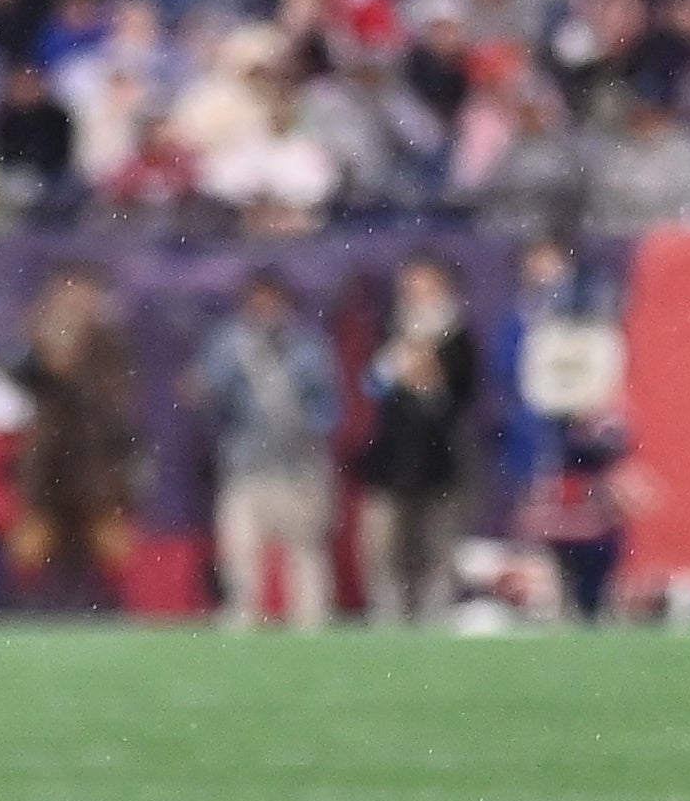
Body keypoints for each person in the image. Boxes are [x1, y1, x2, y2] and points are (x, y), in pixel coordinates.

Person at [189, 268, 341, 630]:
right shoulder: (229, 345)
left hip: (297, 465)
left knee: (304, 551)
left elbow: (326, 406)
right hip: (245, 463)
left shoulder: (308, 347)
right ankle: (243, 617)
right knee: (240, 552)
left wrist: (307, 430)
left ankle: (311, 623)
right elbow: (209, 394)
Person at [498, 236, 634, 623]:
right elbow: (525, 384)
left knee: (595, 536)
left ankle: (594, 605)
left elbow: (607, 384)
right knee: (546, 538)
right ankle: (553, 610)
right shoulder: (526, 327)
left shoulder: (598, 333)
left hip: (588, 452)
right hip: (544, 447)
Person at [351, 253, 482, 627]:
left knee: (437, 546)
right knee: (383, 547)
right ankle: (388, 616)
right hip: (393, 461)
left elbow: (457, 395)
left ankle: (433, 616)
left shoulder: (458, 337)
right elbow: (373, 386)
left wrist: (427, 373)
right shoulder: (390, 331)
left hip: (441, 461)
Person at [2, 262, 140, 615]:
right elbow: (17, 375)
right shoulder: (34, 336)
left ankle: (111, 613)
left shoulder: (108, 341)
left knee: (107, 548)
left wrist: (67, 366)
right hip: (47, 462)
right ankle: (34, 614)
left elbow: (110, 399)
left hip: (94, 463)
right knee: (35, 547)